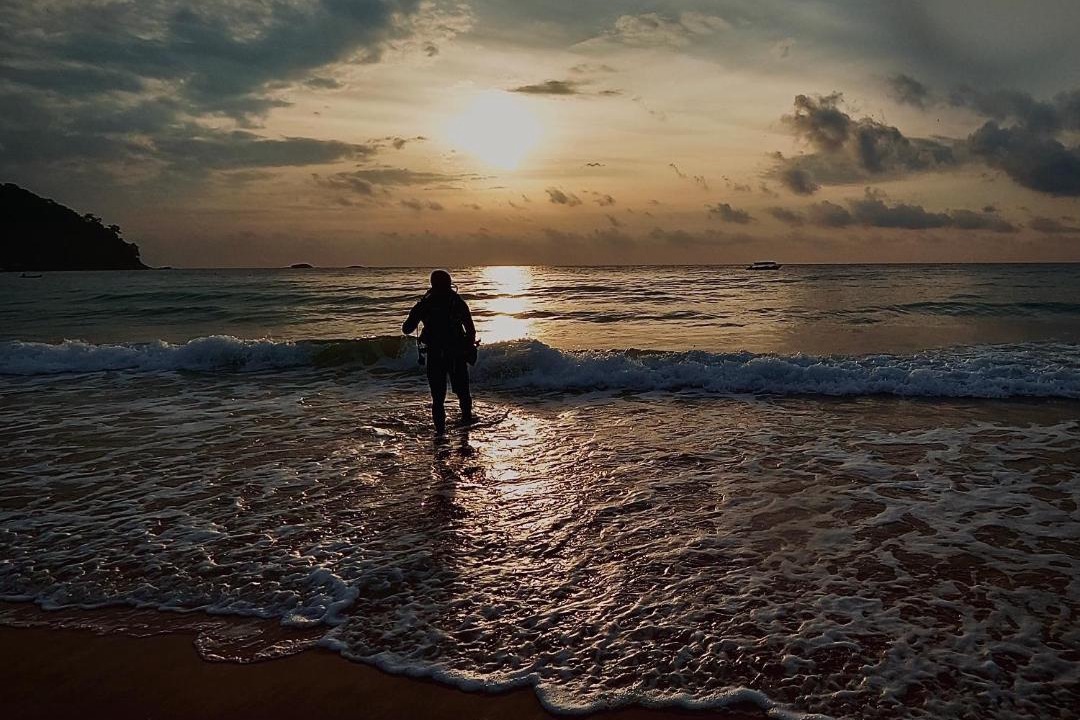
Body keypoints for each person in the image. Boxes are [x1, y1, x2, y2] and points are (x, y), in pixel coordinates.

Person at [402, 269, 477, 433]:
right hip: (457, 355)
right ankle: (466, 429)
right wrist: (468, 349)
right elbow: (471, 330)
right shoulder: (457, 302)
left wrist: (418, 311)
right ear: (450, 283)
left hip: (435, 355)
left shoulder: (425, 304)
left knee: (438, 398)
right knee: (463, 393)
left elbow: (406, 329)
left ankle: (440, 434)